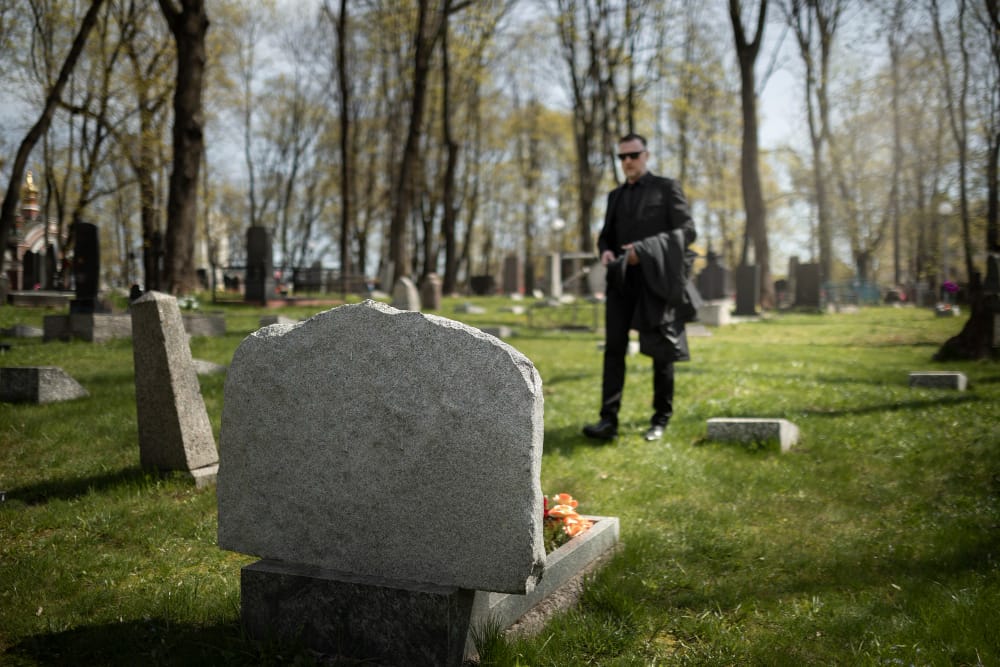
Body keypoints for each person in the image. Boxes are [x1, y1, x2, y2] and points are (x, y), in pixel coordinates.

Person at [583, 132, 697, 442]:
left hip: (656, 281)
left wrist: (643, 251)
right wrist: (605, 250)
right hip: (620, 281)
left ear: (646, 155)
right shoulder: (614, 196)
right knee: (614, 349)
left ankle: (660, 419)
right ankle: (608, 420)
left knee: (661, 351)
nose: (628, 161)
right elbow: (606, 235)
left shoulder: (666, 188)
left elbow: (687, 231)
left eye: (633, 155)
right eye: (622, 157)